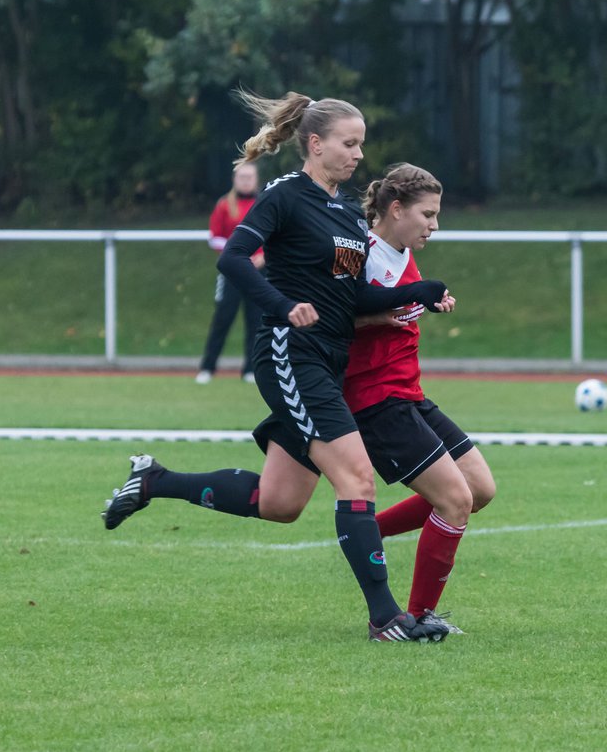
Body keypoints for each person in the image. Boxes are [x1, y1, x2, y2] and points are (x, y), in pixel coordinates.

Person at [100, 91, 453, 643]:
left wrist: (419, 292)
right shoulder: (285, 196)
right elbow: (233, 258)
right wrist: (282, 307)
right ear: (315, 144)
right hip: (292, 353)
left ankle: (154, 480)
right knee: (358, 478)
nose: (359, 155)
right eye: (349, 143)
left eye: (361, 143)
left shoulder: (343, 212)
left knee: (280, 503)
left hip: (328, 361)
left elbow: (350, 297)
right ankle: (387, 618)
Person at [345, 163, 496, 633]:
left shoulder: (403, 252)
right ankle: (417, 616)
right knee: (454, 501)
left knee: (480, 491)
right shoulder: (356, 251)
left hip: (409, 394)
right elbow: (335, 317)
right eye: (428, 214)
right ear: (395, 209)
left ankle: (369, 534)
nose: (435, 225)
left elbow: (401, 303)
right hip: (375, 400)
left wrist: (427, 301)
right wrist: (382, 317)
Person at [196, 162, 263, 385]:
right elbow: (214, 236)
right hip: (232, 272)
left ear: (256, 179)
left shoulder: (264, 204)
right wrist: (236, 256)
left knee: (256, 320)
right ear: (235, 179)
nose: (245, 180)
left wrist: (260, 258)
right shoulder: (225, 205)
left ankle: (251, 370)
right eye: (242, 177)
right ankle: (207, 367)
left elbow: (274, 238)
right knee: (222, 319)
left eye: (249, 177)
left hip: (258, 272)